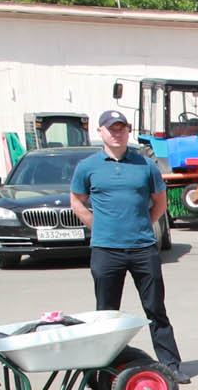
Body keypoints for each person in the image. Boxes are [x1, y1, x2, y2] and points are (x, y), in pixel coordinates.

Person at [71, 108, 180, 372]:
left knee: (155, 308)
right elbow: (77, 202)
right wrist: (99, 226)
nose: (117, 134)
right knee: (106, 313)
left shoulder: (145, 165)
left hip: (143, 249)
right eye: (111, 129)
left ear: (128, 131)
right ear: (100, 131)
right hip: (106, 250)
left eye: (121, 128)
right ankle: (106, 368)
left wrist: (142, 224)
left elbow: (160, 203)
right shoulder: (87, 167)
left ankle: (170, 365)